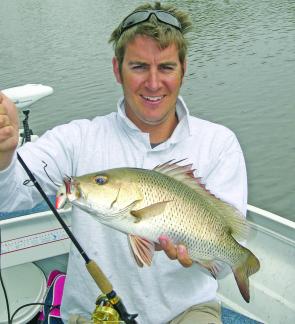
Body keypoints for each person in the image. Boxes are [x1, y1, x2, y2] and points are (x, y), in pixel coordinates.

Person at [0, 2, 247, 323]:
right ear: (117, 69)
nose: (154, 83)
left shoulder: (219, 143)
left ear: (184, 69)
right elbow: (10, 196)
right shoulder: (77, 139)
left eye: (167, 68)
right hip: (95, 313)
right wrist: (5, 155)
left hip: (187, 311)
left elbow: (227, 260)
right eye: (139, 66)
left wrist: (203, 256)